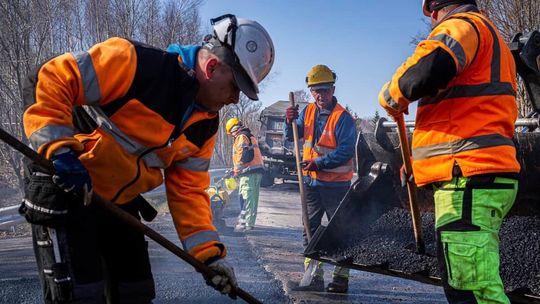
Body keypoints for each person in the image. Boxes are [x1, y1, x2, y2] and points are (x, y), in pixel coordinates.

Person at [21, 14, 274, 303]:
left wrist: (210, 256)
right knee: (82, 294)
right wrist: (59, 149)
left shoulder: (204, 124)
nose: (235, 99)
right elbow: (50, 77)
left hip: (119, 200)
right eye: (235, 87)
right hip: (67, 184)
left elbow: (189, 191)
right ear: (212, 66)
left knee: (135, 291)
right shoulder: (136, 65)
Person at [378, 1, 520, 303]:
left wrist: (392, 93)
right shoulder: (491, 40)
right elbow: (460, 116)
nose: (431, 24)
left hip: (468, 177)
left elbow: (426, 70)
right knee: (467, 283)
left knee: (474, 291)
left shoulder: (464, 26)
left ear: (435, 10)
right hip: (476, 175)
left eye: (430, 15)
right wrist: (419, 162)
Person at [285, 64, 357, 293]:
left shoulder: (343, 118)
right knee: (310, 229)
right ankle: (313, 277)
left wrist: (319, 163)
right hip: (312, 184)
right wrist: (289, 121)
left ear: (333, 89)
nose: (320, 95)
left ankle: (340, 279)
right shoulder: (307, 111)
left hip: (336, 185)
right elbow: (293, 136)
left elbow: (346, 151)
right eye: (315, 90)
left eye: (324, 90)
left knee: (340, 230)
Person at [225, 118, 264, 232]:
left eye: (231, 133)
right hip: (253, 171)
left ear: (234, 129)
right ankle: (248, 223)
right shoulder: (248, 135)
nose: (232, 135)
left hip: (249, 172)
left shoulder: (241, 137)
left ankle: (245, 225)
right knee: (250, 199)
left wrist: (236, 170)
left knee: (246, 198)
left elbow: (241, 155)